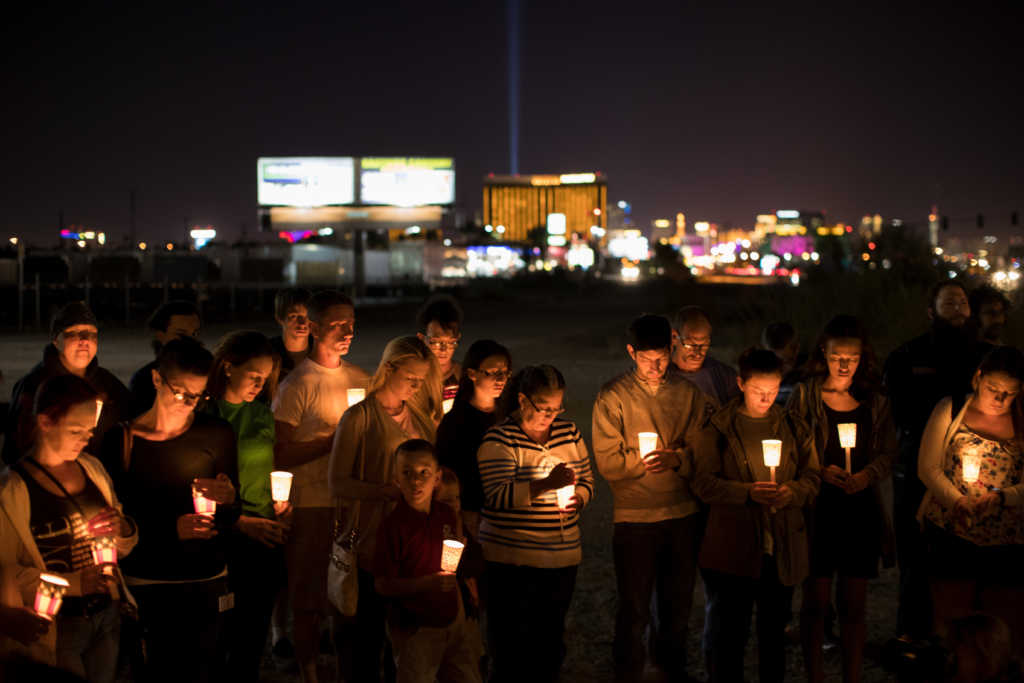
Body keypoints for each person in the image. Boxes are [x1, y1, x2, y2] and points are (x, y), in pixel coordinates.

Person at [100, 337, 239, 683]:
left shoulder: (217, 434)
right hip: (147, 581)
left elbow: (231, 515)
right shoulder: (121, 442)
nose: (190, 403)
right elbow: (114, 523)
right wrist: (168, 529)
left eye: (199, 395)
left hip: (206, 578)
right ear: (157, 380)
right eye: (181, 392)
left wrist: (229, 498)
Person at [591, 314, 709, 681]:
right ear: (631, 352)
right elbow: (609, 463)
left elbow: (703, 453)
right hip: (635, 517)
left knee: (676, 607)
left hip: (681, 514)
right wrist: (644, 464)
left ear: (671, 348)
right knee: (634, 607)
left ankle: (669, 669)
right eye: (646, 358)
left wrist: (678, 459)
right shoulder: (613, 397)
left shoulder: (688, 394)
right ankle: (627, 671)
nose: (656, 366)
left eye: (661, 357)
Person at [692, 348, 820, 683]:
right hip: (733, 547)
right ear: (740, 383)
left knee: (773, 636)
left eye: (774, 390)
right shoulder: (718, 428)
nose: (767, 397)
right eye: (758, 390)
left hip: (780, 547)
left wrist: (793, 491)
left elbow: (813, 477)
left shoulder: (792, 425)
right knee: (729, 636)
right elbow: (703, 484)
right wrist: (746, 493)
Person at [0, 375, 137, 681]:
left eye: (90, 431)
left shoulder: (92, 469)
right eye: (76, 431)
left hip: (106, 614)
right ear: (46, 422)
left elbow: (123, 544)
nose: (85, 440)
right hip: (57, 628)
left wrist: (123, 529)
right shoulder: (12, 491)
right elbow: (7, 572)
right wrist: (75, 583)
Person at [787, 315, 898, 683]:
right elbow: (790, 446)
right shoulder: (806, 395)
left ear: (863, 356)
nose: (845, 364)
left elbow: (887, 452)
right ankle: (815, 676)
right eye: (837, 356)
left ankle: (852, 676)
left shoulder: (875, 401)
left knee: (854, 604)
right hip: (819, 508)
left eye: (852, 356)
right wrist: (820, 471)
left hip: (859, 508)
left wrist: (866, 475)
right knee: (816, 602)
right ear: (824, 352)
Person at [884, 279, 992, 638]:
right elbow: (901, 414)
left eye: (962, 302)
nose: (958, 308)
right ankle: (911, 637)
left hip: (978, 474)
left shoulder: (988, 358)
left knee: (969, 560)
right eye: (949, 303)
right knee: (916, 559)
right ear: (931, 312)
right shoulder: (906, 357)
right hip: (918, 469)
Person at [271, 289, 369, 683]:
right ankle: (309, 668)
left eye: (351, 323)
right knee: (309, 593)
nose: (346, 331)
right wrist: (330, 442)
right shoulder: (297, 385)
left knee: (345, 593)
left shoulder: (360, 379)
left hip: (348, 501)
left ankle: (342, 665)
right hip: (310, 502)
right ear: (313, 328)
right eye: (336, 324)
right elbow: (280, 453)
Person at [330, 336, 440, 683]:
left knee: (406, 653)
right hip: (371, 548)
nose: (416, 385)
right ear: (389, 368)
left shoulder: (421, 419)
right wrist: (383, 492)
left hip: (411, 552)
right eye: (411, 377)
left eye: (421, 380)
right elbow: (338, 481)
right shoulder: (360, 417)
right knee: (362, 647)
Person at [478, 365, 594, 683]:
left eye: (556, 409)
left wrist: (579, 499)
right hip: (510, 562)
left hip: (561, 559)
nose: (550, 416)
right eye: (543, 408)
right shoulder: (499, 438)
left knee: (550, 641)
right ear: (523, 401)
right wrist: (546, 485)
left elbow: (586, 480)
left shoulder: (569, 433)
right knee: (509, 644)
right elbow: (497, 496)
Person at [917, 346, 1024, 651]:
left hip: (1007, 540)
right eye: (993, 388)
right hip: (953, 531)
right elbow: (928, 467)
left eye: (1010, 392)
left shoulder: (1021, 420)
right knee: (952, 621)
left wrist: (1004, 498)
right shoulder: (950, 409)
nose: (1000, 399)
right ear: (978, 378)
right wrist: (957, 501)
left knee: (1004, 624)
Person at [205, 331, 292, 682]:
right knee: (221, 630)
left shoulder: (262, 415)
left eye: (267, 378)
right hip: (224, 533)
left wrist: (285, 504)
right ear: (228, 367)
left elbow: (275, 466)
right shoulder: (206, 414)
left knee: (254, 631)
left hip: (265, 530)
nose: (260, 384)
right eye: (254, 375)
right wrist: (237, 521)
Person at [372, 439, 482, 683]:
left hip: (452, 623)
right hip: (416, 629)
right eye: (407, 473)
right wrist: (427, 583)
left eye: (424, 472)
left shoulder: (446, 514)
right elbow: (382, 584)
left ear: (437, 478)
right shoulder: (393, 526)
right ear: (396, 479)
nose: (416, 480)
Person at [4, 302, 131, 466]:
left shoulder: (108, 384)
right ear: (56, 341)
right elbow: (14, 450)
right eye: (75, 332)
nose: (84, 340)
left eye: (91, 333)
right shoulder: (34, 386)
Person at [436, 339, 511, 539]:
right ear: (471, 374)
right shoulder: (455, 421)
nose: (500, 379)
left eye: (504, 372)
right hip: (472, 514)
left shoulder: (510, 416)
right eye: (492, 372)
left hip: (507, 509)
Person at [127, 301, 202, 416]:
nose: (190, 341)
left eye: (194, 334)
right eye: (180, 334)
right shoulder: (143, 382)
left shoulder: (209, 375)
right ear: (160, 335)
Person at [670, 305, 740, 407]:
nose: (697, 353)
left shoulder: (724, 376)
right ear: (674, 337)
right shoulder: (659, 375)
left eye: (704, 345)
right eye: (690, 344)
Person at [416, 294, 464, 420]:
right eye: (436, 342)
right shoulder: (414, 376)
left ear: (458, 338)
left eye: (450, 342)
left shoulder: (464, 376)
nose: (444, 349)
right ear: (422, 338)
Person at [270, 287, 313, 383]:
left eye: (308, 316)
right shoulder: (267, 354)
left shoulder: (321, 352)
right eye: (294, 316)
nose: (302, 323)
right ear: (279, 318)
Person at [762, 321, 805, 407]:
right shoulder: (761, 373)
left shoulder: (807, 370)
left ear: (796, 348)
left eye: (784, 361)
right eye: (774, 360)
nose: (780, 367)